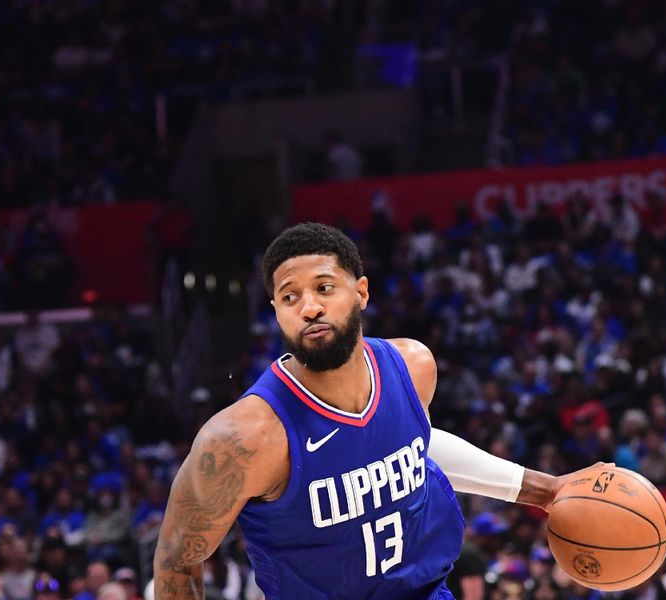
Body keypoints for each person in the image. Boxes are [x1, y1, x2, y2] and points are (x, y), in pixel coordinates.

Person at [153, 222, 605, 600]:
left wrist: (543, 490)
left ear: (361, 292)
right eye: (289, 297)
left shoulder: (412, 366)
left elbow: (414, 447)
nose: (309, 307)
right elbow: (177, 562)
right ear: (275, 312)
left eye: (324, 288)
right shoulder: (245, 437)